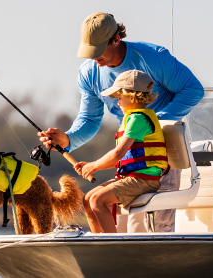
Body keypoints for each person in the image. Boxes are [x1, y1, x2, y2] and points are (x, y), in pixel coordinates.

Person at [38, 12, 204, 232]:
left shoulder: (153, 57)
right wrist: (67, 138)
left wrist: (154, 122)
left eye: (98, 50)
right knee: (104, 208)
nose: (93, 57)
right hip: (130, 154)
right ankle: (106, 252)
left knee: (156, 225)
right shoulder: (89, 73)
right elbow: (90, 118)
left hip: (162, 155)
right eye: (89, 50)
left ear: (116, 39)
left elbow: (193, 90)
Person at [74, 70, 167, 233]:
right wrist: (90, 165)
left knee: (97, 200)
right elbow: (120, 157)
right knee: (87, 199)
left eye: (119, 98)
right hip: (133, 177)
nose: (117, 102)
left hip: (145, 179)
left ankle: (111, 245)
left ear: (131, 97)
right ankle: (98, 241)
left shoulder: (138, 119)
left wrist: (94, 166)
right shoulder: (132, 118)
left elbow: (118, 154)